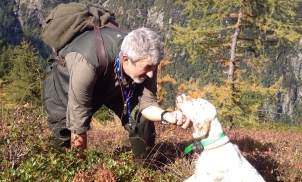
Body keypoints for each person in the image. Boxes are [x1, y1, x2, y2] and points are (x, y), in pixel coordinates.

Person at [43, 26, 191, 158]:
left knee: (140, 118)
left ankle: (145, 170)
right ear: (126, 59)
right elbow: (78, 125)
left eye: (154, 67)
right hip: (67, 88)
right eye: (147, 68)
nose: (151, 75)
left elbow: (148, 103)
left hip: (115, 83)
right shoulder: (86, 64)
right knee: (61, 138)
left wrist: (166, 115)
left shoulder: (147, 59)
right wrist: (83, 175)